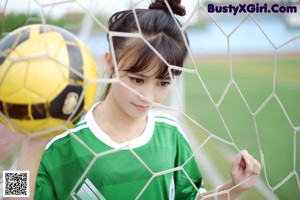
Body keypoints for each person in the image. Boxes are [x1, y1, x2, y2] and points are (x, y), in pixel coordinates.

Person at [12, 0, 261, 199]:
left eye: (163, 83)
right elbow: (10, 193)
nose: (149, 96)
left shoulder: (171, 134)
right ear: (110, 64)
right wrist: (33, 143)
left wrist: (234, 187)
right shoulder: (61, 139)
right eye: (137, 80)